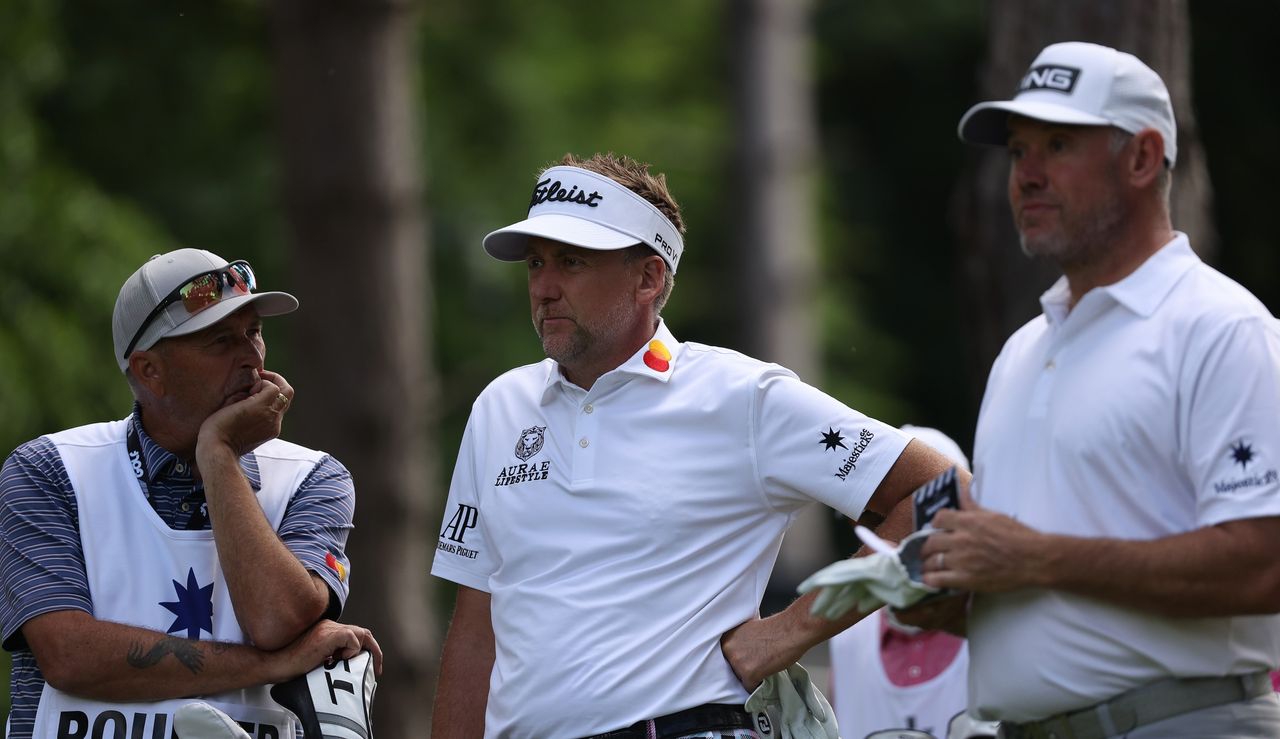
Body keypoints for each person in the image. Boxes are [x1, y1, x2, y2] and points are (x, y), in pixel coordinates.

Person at [429, 152, 967, 738]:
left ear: (649, 277)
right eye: (536, 263)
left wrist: (792, 630)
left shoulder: (741, 396)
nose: (545, 287)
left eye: (572, 261)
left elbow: (941, 490)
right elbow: (476, 629)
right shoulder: (498, 408)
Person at [908, 41, 1280, 736]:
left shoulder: (1221, 328)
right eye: (1018, 151)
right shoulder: (1024, 349)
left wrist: (1036, 556)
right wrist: (952, 596)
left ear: (1142, 159)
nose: (1027, 176)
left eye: (1057, 144)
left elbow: (1265, 562)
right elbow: (1041, 585)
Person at [0, 248, 382, 739]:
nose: (250, 357)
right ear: (148, 370)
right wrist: (273, 664)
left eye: (254, 333)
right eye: (220, 341)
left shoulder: (314, 477)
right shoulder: (50, 469)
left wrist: (219, 454)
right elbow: (68, 656)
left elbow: (275, 619)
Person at [828, 427, 996, 739]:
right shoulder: (847, 636)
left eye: (910, 518)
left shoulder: (1004, 619)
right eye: (873, 522)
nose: (892, 539)